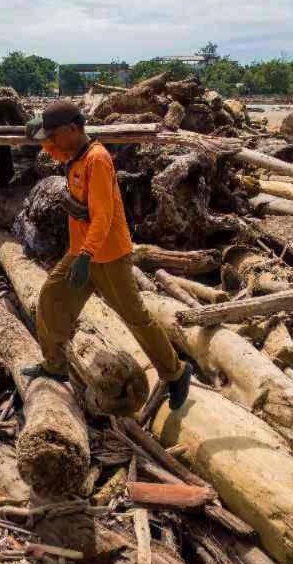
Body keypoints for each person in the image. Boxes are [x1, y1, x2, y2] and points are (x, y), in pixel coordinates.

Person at [22, 100, 193, 410]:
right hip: (81, 251)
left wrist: (86, 257)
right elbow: (54, 150)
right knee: (51, 298)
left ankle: (177, 372)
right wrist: (37, 130)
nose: (52, 143)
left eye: (54, 135)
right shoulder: (72, 154)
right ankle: (55, 365)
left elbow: (103, 216)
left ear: (72, 129)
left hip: (107, 255)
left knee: (135, 317)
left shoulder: (97, 160)